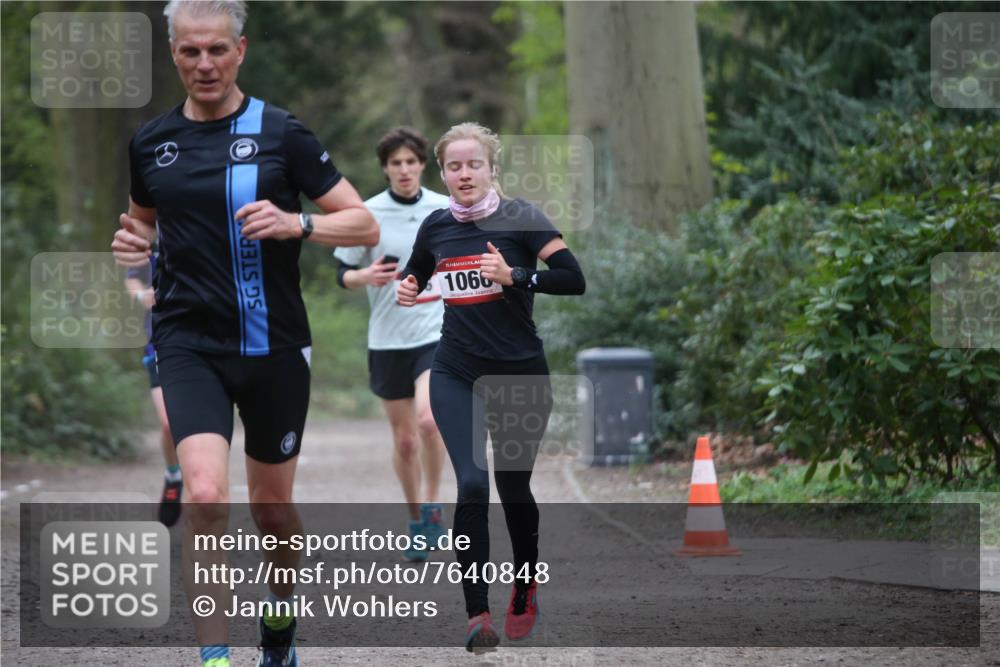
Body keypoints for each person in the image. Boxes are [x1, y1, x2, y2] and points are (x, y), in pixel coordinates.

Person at [110, 2, 378, 666]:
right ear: (173, 52)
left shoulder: (281, 133)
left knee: (272, 511)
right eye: (191, 51)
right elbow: (142, 222)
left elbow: (364, 224)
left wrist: (299, 225)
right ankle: (215, 657)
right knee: (204, 493)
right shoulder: (151, 142)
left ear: (241, 50)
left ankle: (279, 630)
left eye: (218, 50)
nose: (205, 63)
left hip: (273, 345)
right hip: (186, 342)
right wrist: (130, 243)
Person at [397, 122, 585, 652]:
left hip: (520, 374)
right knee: (473, 485)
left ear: (491, 169)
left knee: (513, 486)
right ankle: (476, 614)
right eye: (454, 166)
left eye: (473, 164)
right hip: (456, 372)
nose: (464, 174)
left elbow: (574, 278)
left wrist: (518, 277)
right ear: (444, 173)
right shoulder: (435, 227)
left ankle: (524, 587)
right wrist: (409, 289)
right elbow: (415, 274)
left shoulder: (522, 217)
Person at [333, 127, 450, 562]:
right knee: (404, 441)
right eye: (395, 163)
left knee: (429, 420)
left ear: (422, 165)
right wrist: (365, 277)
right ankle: (416, 516)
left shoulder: (445, 208)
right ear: (385, 168)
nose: (404, 170)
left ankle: (435, 505)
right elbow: (340, 274)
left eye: (411, 162)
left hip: (436, 333)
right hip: (386, 339)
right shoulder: (366, 214)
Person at [123, 246, 183, 527]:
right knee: (170, 423)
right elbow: (132, 275)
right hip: (159, 343)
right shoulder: (149, 234)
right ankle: (174, 476)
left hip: (206, 343)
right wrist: (141, 295)